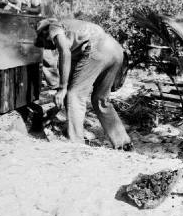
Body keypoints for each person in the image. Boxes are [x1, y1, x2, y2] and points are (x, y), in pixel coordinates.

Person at [34, 18, 132, 150]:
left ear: (45, 33)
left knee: (75, 95)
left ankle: (76, 145)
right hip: (116, 50)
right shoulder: (75, 41)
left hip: (98, 48)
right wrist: (54, 111)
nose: (48, 48)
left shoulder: (53, 26)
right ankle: (123, 143)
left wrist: (62, 89)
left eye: (44, 43)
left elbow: (65, 52)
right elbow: (71, 81)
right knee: (100, 99)